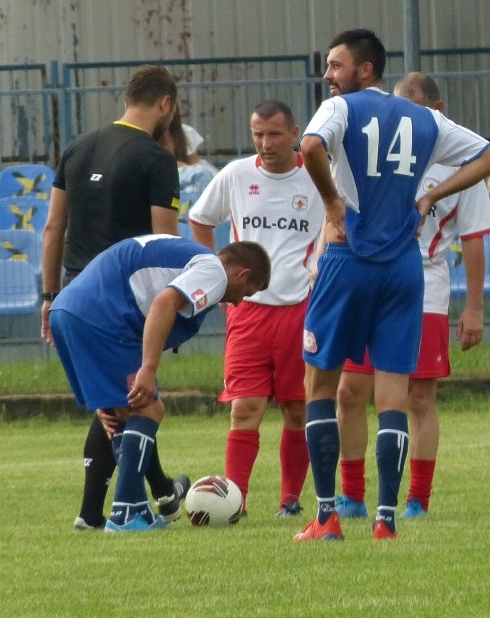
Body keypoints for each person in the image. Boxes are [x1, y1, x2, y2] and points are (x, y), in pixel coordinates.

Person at [295, 28, 490, 542]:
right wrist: (430, 198)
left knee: (320, 384)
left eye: (335, 65)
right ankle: (386, 520)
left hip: (348, 258)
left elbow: (310, 146)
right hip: (405, 268)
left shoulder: (340, 109)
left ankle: (326, 517)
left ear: (365, 69)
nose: (328, 76)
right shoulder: (426, 119)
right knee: (393, 393)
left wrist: (330, 202)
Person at [333, 72, 490, 521]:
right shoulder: (373, 156)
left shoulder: (458, 165)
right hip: (366, 280)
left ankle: (417, 499)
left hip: (423, 287)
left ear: (436, 113)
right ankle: (352, 496)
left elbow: (476, 238)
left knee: (418, 398)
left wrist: (475, 309)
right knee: (349, 391)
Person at [41, 64, 186, 531]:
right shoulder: (156, 159)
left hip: (76, 289)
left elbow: (52, 229)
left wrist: (49, 295)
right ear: (166, 104)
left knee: (117, 402)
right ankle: (106, 510)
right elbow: (164, 243)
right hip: (124, 296)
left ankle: (159, 493)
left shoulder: (77, 147)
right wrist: (176, 302)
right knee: (134, 403)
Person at [49, 235, 270, 532]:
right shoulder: (214, 270)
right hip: (101, 317)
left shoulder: (189, 258)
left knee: (121, 414)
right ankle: (126, 513)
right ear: (243, 274)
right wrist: (148, 368)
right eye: (248, 291)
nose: (239, 301)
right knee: (149, 409)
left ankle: (130, 509)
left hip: (68, 311)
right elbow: (165, 302)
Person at [188, 100, 325, 518]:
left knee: (297, 408)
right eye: (258, 135)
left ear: (295, 133)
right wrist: (214, 279)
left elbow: (340, 221)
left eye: (275, 134)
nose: (265, 144)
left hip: (300, 309)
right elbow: (200, 219)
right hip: (247, 313)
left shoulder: (319, 178)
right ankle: (237, 501)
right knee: (244, 407)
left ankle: (290, 499)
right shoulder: (236, 175)